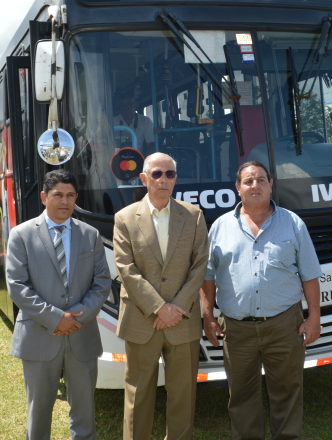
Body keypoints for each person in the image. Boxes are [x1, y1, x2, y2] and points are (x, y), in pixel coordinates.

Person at [201, 161, 322, 440]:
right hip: (236, 328)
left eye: (261, 180)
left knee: (288, 393)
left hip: (284, 325)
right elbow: (207, 277)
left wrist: (314, 317)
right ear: (238, 188)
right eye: (248, 181)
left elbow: (310, 273)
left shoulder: (293, 223)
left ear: (271, 185)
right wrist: (208, 317)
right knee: (241, 396)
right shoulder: (220, 226)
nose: (255, 185)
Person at [5, 169, 111, 440]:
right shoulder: (21, 235)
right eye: (57, 195)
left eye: (70, 195)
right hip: (39, 337)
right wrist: (55, 318)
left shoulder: (91, 235)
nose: (64, 201)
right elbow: (17, 286)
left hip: (81, 334)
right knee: (38, 413)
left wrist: (78, 317)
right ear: (44, 197)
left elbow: (101, 283)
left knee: (85, 413)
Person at [113, 152, 208, 440]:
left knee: (183, 395)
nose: (163, 179)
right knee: (138, 394)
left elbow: (200, 265)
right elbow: (125, 268)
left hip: (182, 319)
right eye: (157, 174)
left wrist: (176, 307)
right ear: (143, 178)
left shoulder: (193, 216)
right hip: (143, 319)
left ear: (175, 178)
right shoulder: (125, 218)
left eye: (170, 174)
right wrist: (158, 308)